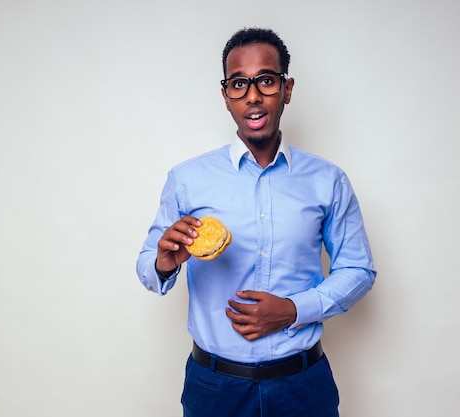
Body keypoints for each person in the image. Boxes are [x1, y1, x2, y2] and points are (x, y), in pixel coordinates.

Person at [136, 27, 376, 417]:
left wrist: (294, 310)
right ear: (225, 95)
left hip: (303, 384)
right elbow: (148, 268)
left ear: (287, 88)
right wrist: (164, 261)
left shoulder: (327, 180)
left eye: (266, 80)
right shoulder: (187, 179)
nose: (252, 95)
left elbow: (358, 269)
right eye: (238, 84)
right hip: (214, 387)